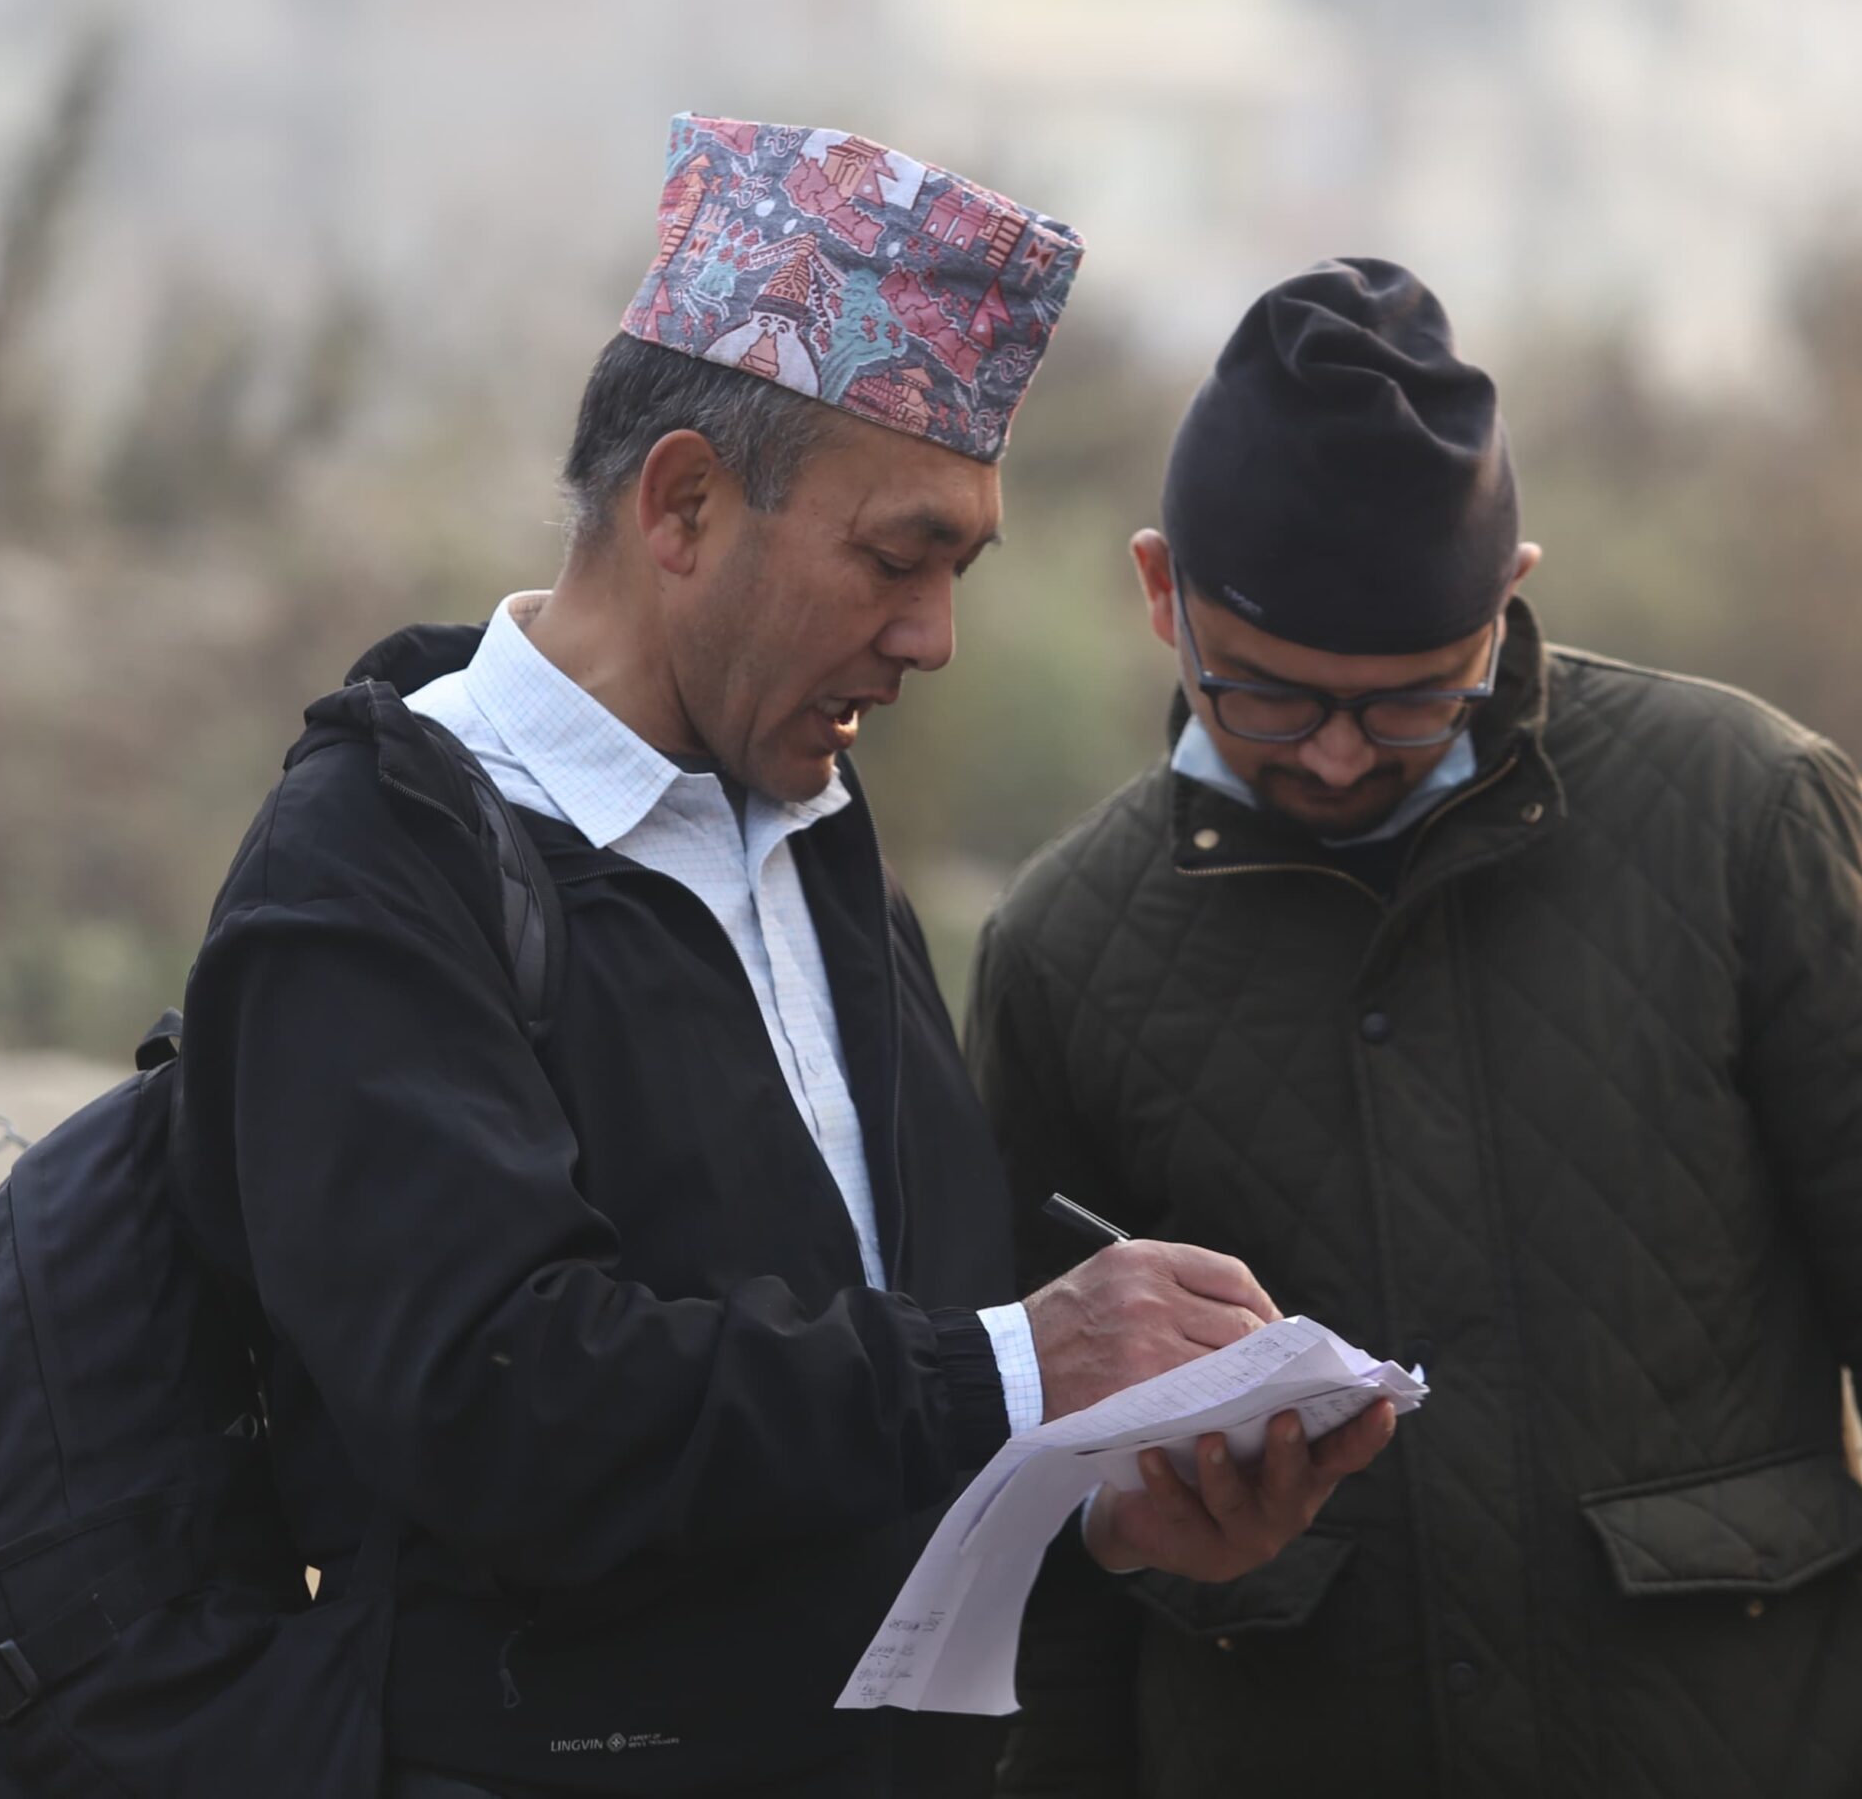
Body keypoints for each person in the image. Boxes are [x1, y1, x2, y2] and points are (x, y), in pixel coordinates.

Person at [174, 121, 1388, 1799]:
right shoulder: (373, 866)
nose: (933, 639)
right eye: (895, 560)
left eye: (959, 571)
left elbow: (871, 1400)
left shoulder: (810, 832)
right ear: (683, 504)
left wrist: (1114, 1506)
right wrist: (1019, 1362)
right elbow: (497, 1404)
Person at [969, 257, 1862, 1798]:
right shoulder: (1063, 949)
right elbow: (1043, 1528)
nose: (1342, 758)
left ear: (1511, 594)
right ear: (1161, 592)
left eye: (1413, 701)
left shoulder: (1751, 823)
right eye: (1271, 699)